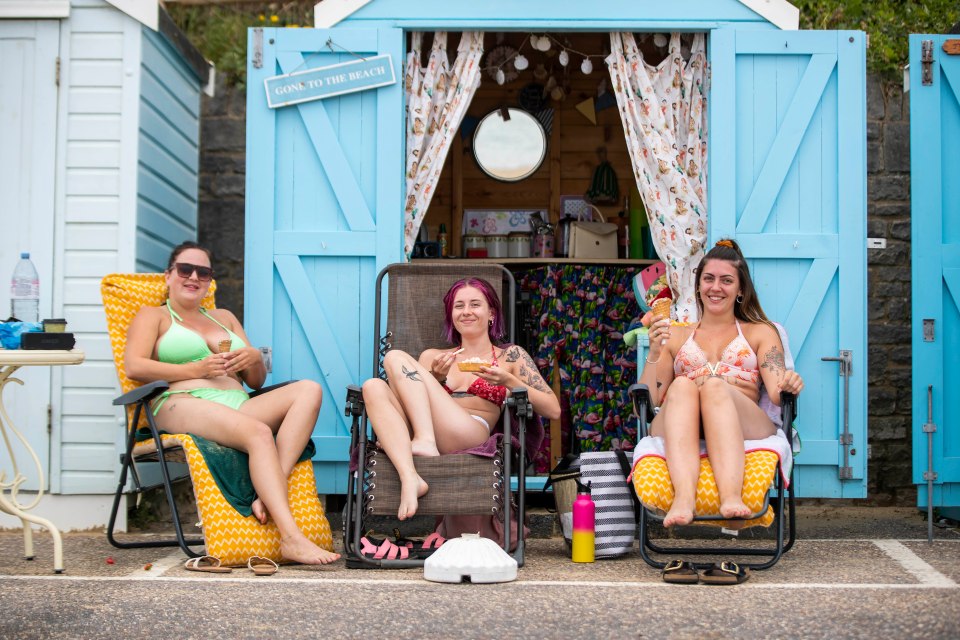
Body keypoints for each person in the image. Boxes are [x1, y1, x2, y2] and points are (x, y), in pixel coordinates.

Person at [124, 241, 339, 565]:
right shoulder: (154, 316)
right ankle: (291, 539)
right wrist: (192, 369)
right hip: (182, 399)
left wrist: (254, 358)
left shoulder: (224, 317)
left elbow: (255, 382)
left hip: (236, 401)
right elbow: (135, 366)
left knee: (308, 389)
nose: (194, 276)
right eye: (185, 269)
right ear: (169, 276)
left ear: (210, 281)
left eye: (203, 272)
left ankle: (271, 486)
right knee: (259, 433)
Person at [361, 277, 561, 521]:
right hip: (430, 430)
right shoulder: (433, 357)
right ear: (451, 315)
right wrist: (436, 378)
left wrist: (508, 381)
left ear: (491, 313)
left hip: (471, 431)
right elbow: (412, 404)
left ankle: (423, 442)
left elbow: (553, 409)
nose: (466, 312)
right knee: (372, 386)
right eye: (459, 306)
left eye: (475, 304)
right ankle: (409, 476)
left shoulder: (510, 356)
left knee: (393, 357)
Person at [638, 239, 804, 527]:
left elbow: (778, 393)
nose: (716, 287)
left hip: (742, 421)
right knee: (681, 386)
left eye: (727, 281)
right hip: (681, 419)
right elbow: (650, 399)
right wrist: (654, 354)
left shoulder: (760, 332)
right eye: (709, 279)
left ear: (740, 289)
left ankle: (731, 496)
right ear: (699, 286)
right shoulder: (675, 336)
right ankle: (684, 499)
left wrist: (788, 382)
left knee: (714, 386)